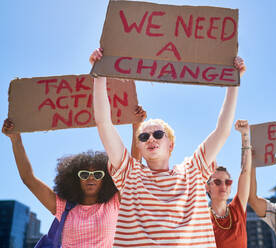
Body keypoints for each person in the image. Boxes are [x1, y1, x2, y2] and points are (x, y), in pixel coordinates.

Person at [89, 48, 246, 247]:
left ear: (171, 145)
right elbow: (104, 124)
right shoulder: (130, 174)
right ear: (139, 145)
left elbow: (223, 130)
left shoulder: (193, 170)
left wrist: (234, 82)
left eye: (158, 134)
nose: (150, 139)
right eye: (144, 136)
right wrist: (99, 75)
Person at [2, 106, 146, 248]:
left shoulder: (114, 203)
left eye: (97, 175)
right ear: (75, 180)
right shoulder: (63, 207)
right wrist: (16, 140)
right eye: (84, 174)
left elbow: (132, 169)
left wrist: (137, 126)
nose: (91, 178)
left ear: (106, 179)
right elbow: (28, 179)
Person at [206, 120, 252, 248]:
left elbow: (245, 172)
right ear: (207, 187)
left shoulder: (237, 209)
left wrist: (245, 135)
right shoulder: (202, 218)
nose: (223, 186)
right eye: (217, 182)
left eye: (228, 182)